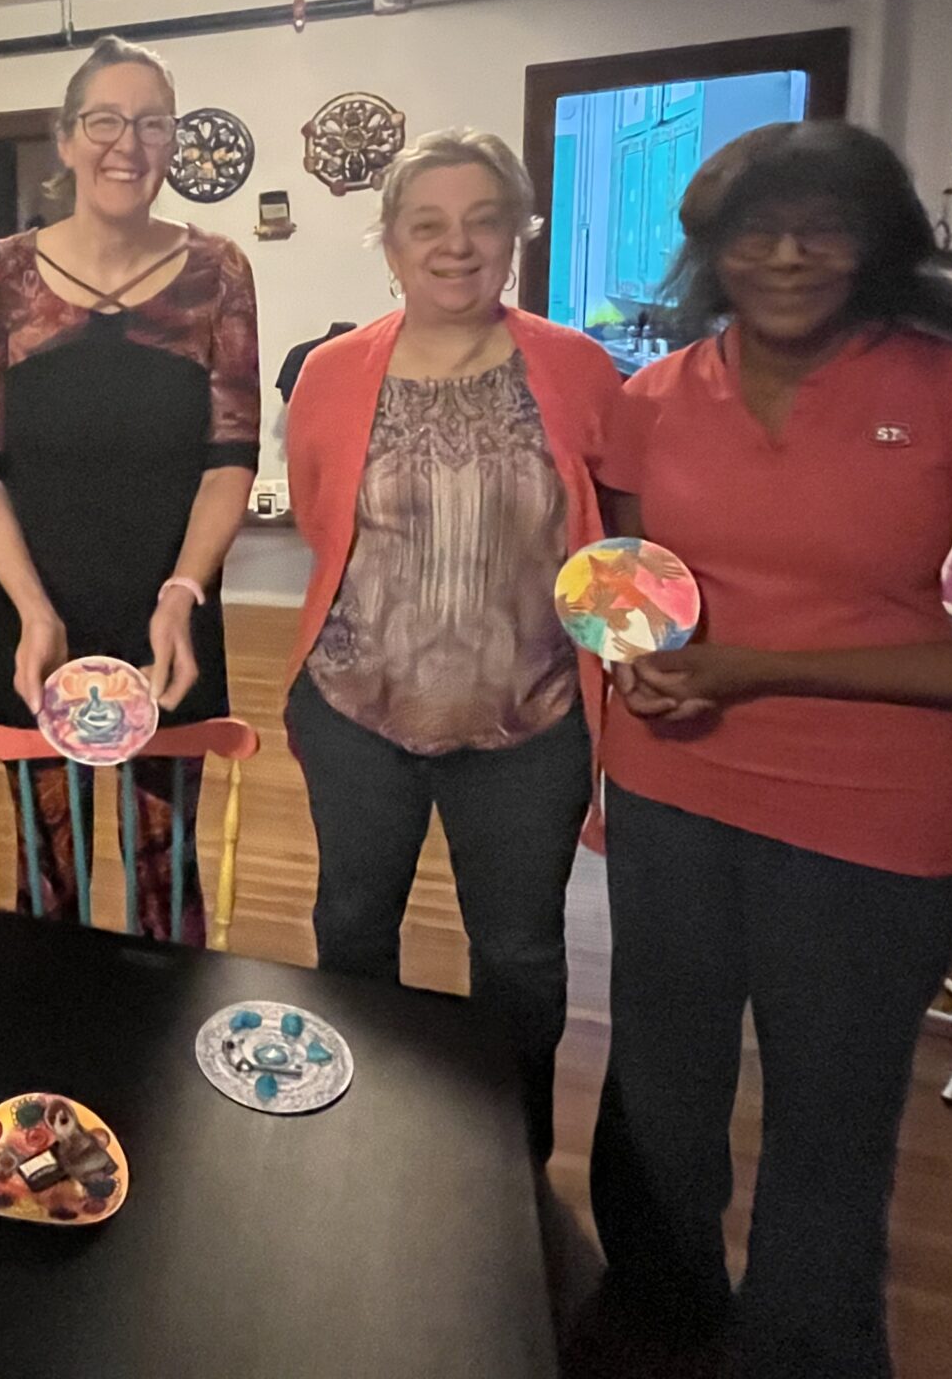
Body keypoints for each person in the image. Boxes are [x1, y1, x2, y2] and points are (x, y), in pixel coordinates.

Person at [584, 121, 952, 1377]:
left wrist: (762, 668)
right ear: (711, 252)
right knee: (660, 1103)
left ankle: (804, 1350)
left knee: (829, 1130)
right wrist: (637, 664)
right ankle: (662, 1326)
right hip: (668, 795)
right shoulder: (652, 396)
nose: (788, 256)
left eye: (824, 228)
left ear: (878, 245)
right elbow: (636, 590)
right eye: (755, 232)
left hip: (869, 825)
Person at [283, 130, 620, 1164]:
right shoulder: (330, 374)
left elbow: (615, 538)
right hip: (356, 711)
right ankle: (357, 1145)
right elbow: (320, 517)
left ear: (518, 234)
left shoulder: (578, 369)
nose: (456, 246)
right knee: (352, 933)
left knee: (519, 957)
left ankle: (508, 1166)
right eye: (426, 225)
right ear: (389, 244)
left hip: (530, 718)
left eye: (483, 221)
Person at [0, 35, 260, 941]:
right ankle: (55, 1024)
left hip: (172, 616)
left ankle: (169, 1023)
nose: (129, 144)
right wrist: (32, 608)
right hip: (35, 616)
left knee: (166, 865)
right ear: (66, 138)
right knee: (49, 868)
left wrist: (183, 591)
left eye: (153, 124)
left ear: (173, 142)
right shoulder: (0, 277)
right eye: (105, 121)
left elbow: (230, 454)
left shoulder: (217, 274)